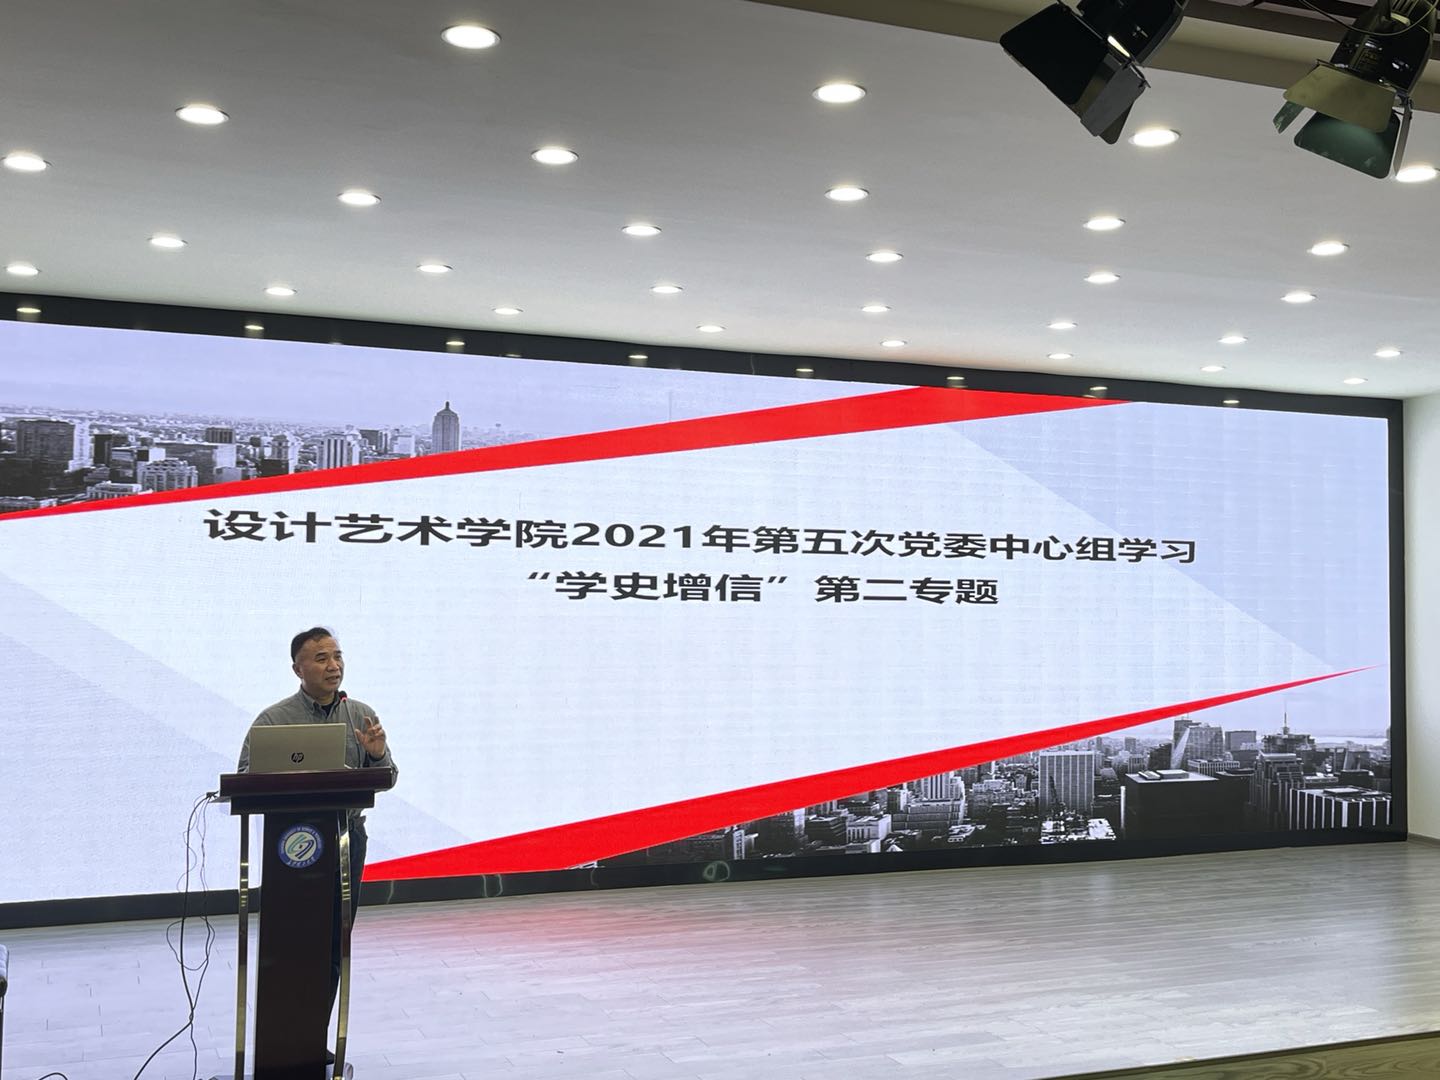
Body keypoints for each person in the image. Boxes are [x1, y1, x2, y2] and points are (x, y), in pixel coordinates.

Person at [237, 626, 397, 1034]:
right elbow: (244, 778)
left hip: (346, 840)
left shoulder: (361, 714)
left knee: (334, 944)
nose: (333, 666)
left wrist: (377, 755)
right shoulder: (273, 720)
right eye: (322, 658)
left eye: (337, 656)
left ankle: (313, 1038)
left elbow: (388, 777)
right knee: (291, 943)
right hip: (289, 846)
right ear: (298, 669)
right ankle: (282, 1039)